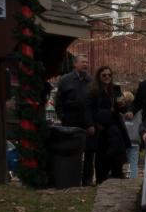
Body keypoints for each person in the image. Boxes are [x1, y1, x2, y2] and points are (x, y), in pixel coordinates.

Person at [54, 54, 95, 186]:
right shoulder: (65, 80)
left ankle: (87, 180)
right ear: (75, 64)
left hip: (87, 122)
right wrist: (63, 117)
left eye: (87, 62)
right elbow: (58, 101)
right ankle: (71, 179)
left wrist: (92, 122)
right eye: (83, 62)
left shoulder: (91, 81)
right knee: (72, 151)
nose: (86, 65)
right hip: (70, 122)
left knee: (89, 152)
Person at [89, 66, 130, 184]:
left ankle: (117, 178)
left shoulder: (116, 89)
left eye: (109, 75)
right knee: (102, 159)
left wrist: (124, 109)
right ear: (99, 76)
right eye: (104, 75)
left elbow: (122, 108)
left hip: (115, 128)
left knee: (117, 156)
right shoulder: (94, 91)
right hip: (101, 129)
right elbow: (92, 110)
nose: (107, 77)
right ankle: (101, 181)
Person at [122, 91, 142, 179]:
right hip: (135, 139)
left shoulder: (121, 109)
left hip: (123, 139)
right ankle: (133, 180)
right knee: (133, 162)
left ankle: (121, 179)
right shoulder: (138, 111)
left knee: (121, 162)